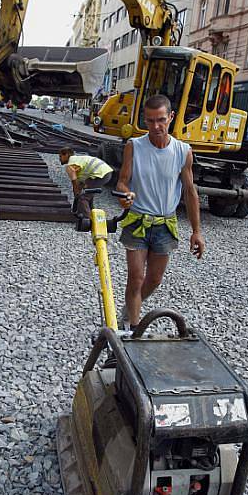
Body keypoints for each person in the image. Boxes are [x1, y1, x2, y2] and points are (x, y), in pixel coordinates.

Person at [116, 94, 205, 330]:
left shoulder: (183, 151)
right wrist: (125, 195)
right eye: (150, 121)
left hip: (165, 224)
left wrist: (197, 231)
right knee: (135, 278)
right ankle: (132, 329)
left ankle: (127, 310)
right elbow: (122, 182)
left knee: (154, 280)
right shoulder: (133, 146)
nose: (156, 126)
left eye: (161, 120)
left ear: (171, 118)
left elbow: (190, 192)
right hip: (138, 221)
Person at [59, 146, 113, 217]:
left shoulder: (70, 165)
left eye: (60, 156)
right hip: (105, 172)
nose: (59, 159)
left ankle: (87, 220)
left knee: (83, 197)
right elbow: (80, 183)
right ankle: (92, 215)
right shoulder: (77, 160)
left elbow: (75, 184)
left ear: (66, 154)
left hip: (99, 174)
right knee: (88, 194)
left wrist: (77, 195)